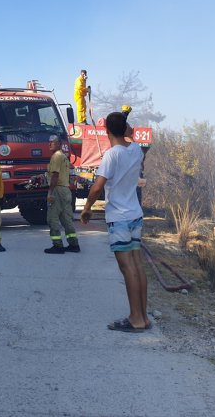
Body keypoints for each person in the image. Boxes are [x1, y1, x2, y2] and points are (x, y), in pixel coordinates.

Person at [80, 112, 149, 332]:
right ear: (126, 128)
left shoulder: (111, 155)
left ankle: (135, 318)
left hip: (119, 218)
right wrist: (129, 132)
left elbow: (98, 186)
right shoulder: (136, 151)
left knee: (127, 268)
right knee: (137, 265)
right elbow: (132, 139)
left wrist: (88, 208)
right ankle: (144, 317)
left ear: (106, 130)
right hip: (135, 215)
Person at [44, 135, 80, 254]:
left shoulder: (56, 157)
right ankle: (73, 244)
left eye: (53, 142)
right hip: (66, 190)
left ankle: (57, 245)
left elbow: (55, 176)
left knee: (52, 218)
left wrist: (50, 192)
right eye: (49, 142)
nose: (50, 144)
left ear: (59, 144)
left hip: (57, 190)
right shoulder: (64, 157)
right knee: (66, 219)